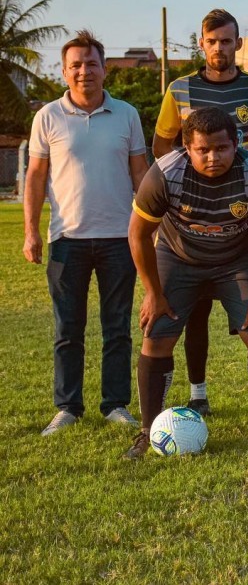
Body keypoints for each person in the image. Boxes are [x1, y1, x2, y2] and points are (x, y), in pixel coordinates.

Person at [125, 106, 248, 459]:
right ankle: (148, 431)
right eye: (202, 149)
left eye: (221, 148)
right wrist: (153, 293)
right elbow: (138, 235)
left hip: (239, 260)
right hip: (178, 257)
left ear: (236, 144)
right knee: (155, 335)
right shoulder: (165, 173)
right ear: (186, 147)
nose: (212, 157)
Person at [152, 8, 248, 417]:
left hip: (240, 219)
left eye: (226, 41)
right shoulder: (179, 89)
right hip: (191, 220)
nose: (219, 48)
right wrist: (186, 182)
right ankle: (198, 392)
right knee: (193, 314)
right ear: (201, 44)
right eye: (211, 41)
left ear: (238, 44)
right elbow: (161, 146)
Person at [24, 30, 150, 436]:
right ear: (64, 71)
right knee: (67, 329)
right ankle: (68, 407)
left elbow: (140, 173)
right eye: (75, 65)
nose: (84, 71)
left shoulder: (127, 115)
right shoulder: (47, 116)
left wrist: (150, 227)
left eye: (91, 63)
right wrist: (30, 231)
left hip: (119, 238)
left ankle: (115, 404)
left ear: (104, 69)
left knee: (118, 327)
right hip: (66, 240)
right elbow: (35, 177)